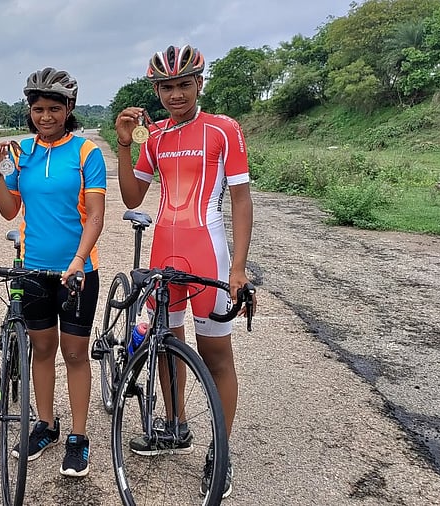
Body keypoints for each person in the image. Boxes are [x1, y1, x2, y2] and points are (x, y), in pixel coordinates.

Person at [114, 45, 257, 498]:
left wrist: (238, 266)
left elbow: (241, 200)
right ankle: (175, 427)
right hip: (165, 254)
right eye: (167, 86)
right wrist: (122, 143)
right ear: (156, 90)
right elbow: (134, 197)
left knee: (217, 357)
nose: (176, 94)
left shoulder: (223, 129)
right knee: (166, 346)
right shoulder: (152, 136)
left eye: (183, 84)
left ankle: (222, 452)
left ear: (199, 84)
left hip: (208, 250)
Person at [0, 67, 106, 478]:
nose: (46, 116)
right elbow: (8, 209)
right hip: (33, 268)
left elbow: (94, 216)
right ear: (30, 110)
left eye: (54, 108)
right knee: (42, 350)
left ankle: (78, 436)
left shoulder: (86, 152)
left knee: (74, 353)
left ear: (68, 108)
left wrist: (78, 259)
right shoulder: (22, 152)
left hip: (77, 271)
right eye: (38, 109)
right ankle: (46, 425)